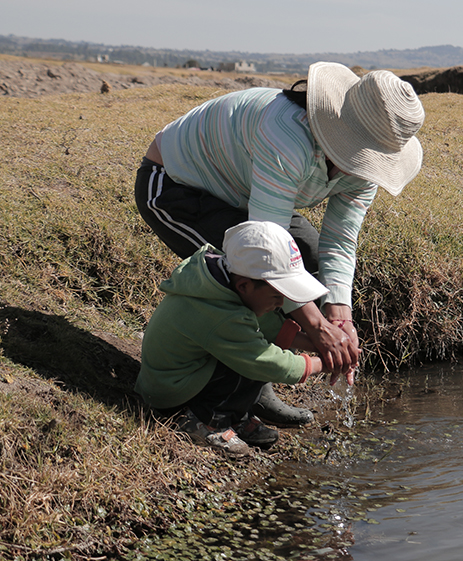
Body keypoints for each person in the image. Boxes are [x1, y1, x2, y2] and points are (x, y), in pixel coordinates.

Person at [134, 62, 425, 426]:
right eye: (359, 153)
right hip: (178, 187)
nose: (363, 165)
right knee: (250, 285)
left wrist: (339, 317)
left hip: (245, 198)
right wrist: (318, 330)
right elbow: (264, 261)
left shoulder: (367, 167)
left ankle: (252, 390)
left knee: (310, 259)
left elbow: (339, 241)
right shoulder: (287, 135)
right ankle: (214, 408)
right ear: (339, 128)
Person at [135, 221, 342, 456]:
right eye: (277, 295)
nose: (282, 304)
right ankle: (205, 421)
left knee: (255, 348)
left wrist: (317, 345)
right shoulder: (221, 315)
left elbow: (268, 327)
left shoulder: (220, 283)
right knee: (253, 360)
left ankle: (234, 416)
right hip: (171, 394)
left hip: (184, 376)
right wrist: (321, 364)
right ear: (244, 285)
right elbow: (265, 361)